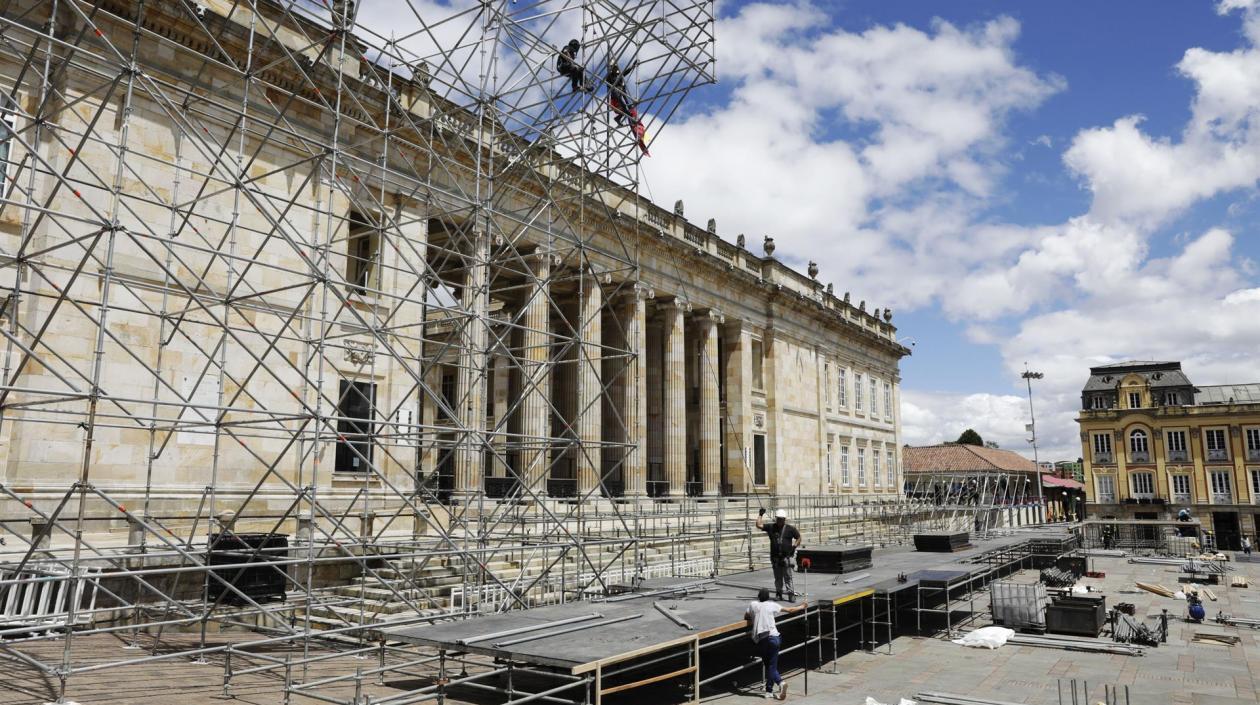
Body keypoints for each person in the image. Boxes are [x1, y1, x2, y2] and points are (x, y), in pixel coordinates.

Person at [745, 588, 788, 700]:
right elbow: (789, 609)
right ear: (768, 597)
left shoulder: (753, 604)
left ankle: (780, 683)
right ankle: (769, 690)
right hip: (776, 637)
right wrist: (802, 606)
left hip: (764, 639)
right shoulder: (772, 605)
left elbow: (746, 616)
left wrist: (755, 618)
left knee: (769, 665)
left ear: (758, 596)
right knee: (772, 665)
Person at [755, 508, 801, 601]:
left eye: (781, 519)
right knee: (778, 577)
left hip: (785, 557)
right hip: (775, 558)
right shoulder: (771, 527)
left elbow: (799, 537)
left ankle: (790, 594)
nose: (779, 520)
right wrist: (760, 514)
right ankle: (779, 593)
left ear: (784, 519)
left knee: (788, 577)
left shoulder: (790, 529)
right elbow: (759, 525)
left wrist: (794, 546)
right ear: (776, 518)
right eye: (778, 518)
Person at [605, 58, 639, 125]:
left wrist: (633, 65)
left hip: (621, 93)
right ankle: (630, 116)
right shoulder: (609, 76)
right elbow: (608, 86)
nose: (615, 69)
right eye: (614, 68)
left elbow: (626, 71)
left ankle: (619, 118)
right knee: (624, 106)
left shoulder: (619, 75)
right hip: (615, 95)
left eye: (616, 68)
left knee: (626, 107)